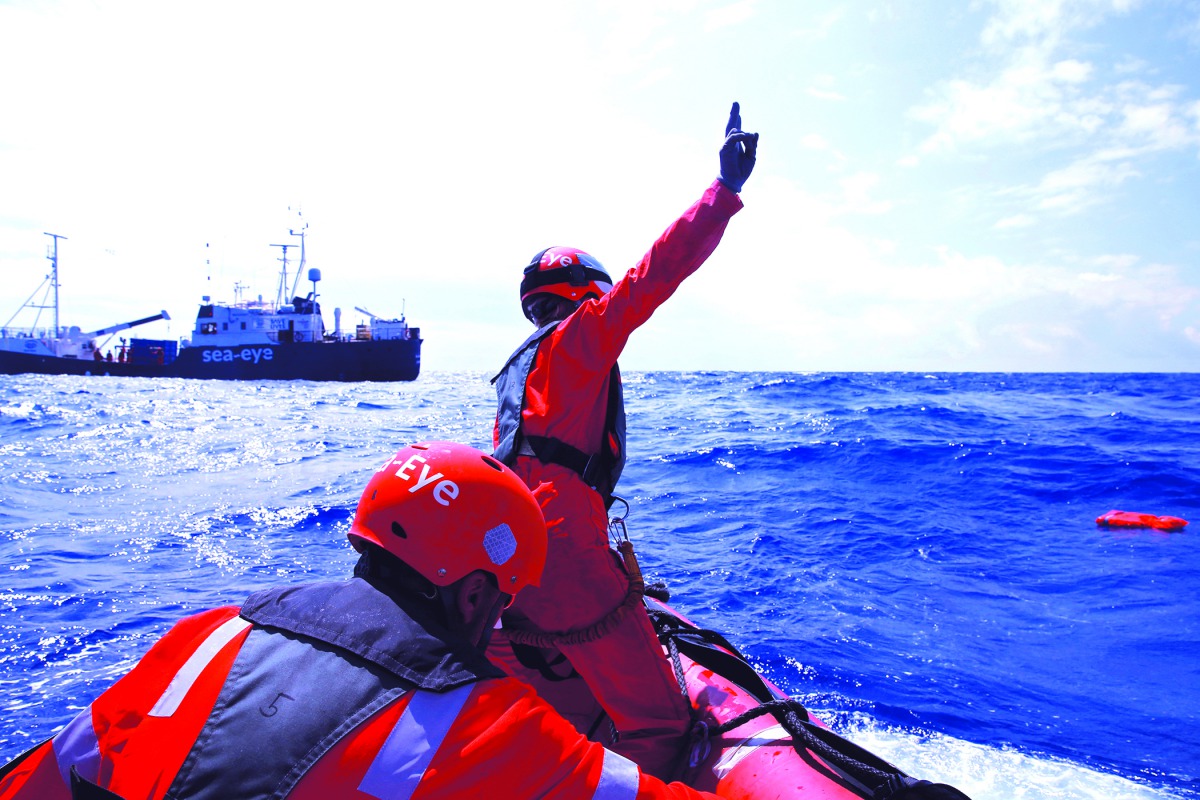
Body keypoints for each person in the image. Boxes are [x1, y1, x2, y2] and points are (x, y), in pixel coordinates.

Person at [0, 441, 724, 800]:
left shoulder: (207, 634)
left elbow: (50, 775)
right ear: (475, 598)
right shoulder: (491, 725)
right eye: (502, 602)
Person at [489, 103, 758, 780]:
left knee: (553, 708)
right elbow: (654, 275)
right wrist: (722, 194)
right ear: (585, 296)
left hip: (505, 563)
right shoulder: (583, 338)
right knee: (664, 730)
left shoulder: (513, 376)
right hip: (570, 554)